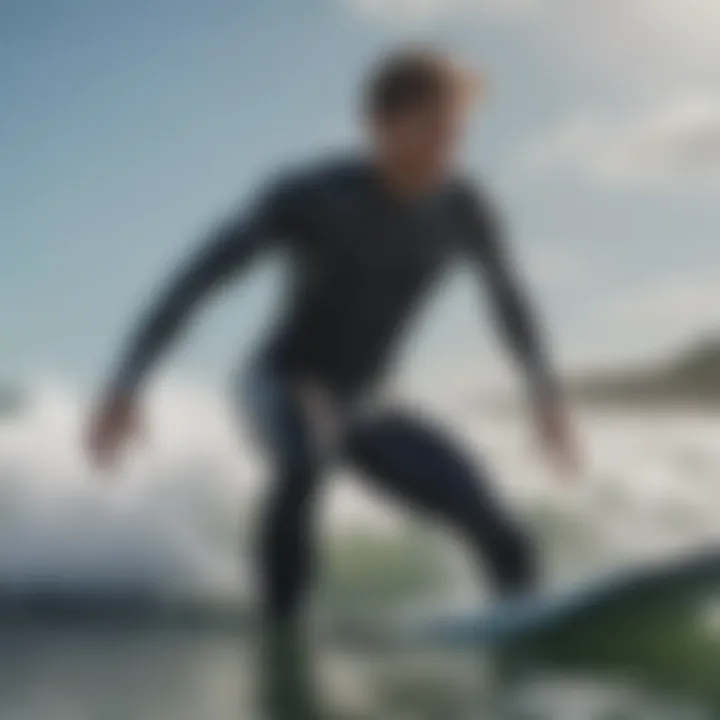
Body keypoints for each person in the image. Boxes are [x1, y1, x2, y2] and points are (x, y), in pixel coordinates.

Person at [87, 47, 578, 629]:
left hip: (369, 399)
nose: (447, 150)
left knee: (496, 526)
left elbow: (509, 302)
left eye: (455, 134)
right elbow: (198, 281)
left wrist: (543, 392)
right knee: (306, 463)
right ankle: (280, 636)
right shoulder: (309, 198)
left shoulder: (464, 209)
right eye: (431, 131)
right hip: (279, 382)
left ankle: (523, 632)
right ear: (380, 126)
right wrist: (126, 383)